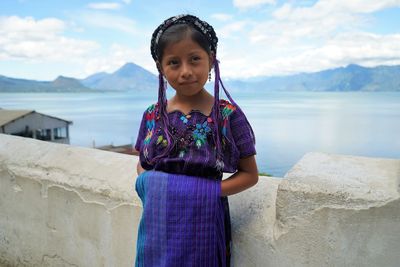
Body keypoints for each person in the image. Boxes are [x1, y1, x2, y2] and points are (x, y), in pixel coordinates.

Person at [134, 14, 259, 267]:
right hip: (158, 222)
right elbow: (142, 165)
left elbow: (250, 174)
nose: (186, 72)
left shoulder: (227, 116)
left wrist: (203, 192)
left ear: (211, 60)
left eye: (194, 59)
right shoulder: (151, 115)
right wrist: (154, 186)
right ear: (160, 67)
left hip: (204, 221)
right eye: (173, 62)